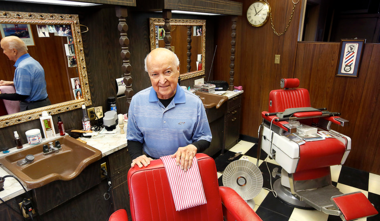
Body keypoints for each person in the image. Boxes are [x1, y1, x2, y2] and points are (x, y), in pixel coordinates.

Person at [127, 48, 212, 171]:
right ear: (149, 75)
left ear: (177, 70)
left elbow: (205, 137)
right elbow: (133, 138)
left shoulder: (194, 103)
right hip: (152, 167)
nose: (162, 81)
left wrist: (193, 147)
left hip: (185, 166)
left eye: (167, 72)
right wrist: (137, 156)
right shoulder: (137, 102)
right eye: (155, 74)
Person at [0, 36, 50, 111]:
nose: (4, 52)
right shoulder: (32, 61)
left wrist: (1, 95)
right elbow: (32, 83)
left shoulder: (22, 68)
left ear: (14, 51)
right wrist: (11, 83)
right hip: (43, 104)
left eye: (4, 49)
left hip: (33, 108)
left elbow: (21, 96)